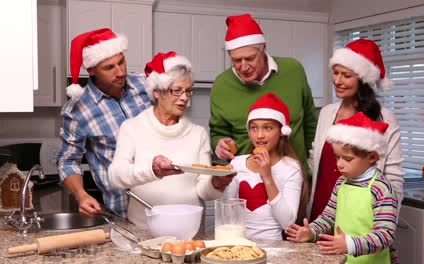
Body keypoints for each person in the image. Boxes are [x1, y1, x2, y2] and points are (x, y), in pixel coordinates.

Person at [108, 51, 234, 227]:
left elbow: (203, 190)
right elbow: (115, 176)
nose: (184, 98)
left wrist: (216, 183)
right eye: (176, 90)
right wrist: (152, 170)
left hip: (189, 231)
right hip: (144, 230)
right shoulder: (132, 128)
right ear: (157, 92)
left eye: (188, 91)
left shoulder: (198, 134)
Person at [56, 28, 154, 218]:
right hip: (124, 211)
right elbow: (67, 161)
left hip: (164, 201)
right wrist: (81, 195)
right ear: (91, 70)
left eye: (121, 62)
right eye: (109, 67)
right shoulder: (77, 110)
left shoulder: (147, 85)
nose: (120, 72)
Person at [307, 39, 404, 221]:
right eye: (335, 73)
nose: (337, 80)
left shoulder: (384, 117)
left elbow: (394, 178)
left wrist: (386, 223)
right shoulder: (327, 113)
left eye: (346, 75)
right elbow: (316, 162)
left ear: (362, 79)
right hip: (322, 210)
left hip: (360, 217)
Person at [209, 14, 318, 176]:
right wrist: (219, 144)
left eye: (250, 58)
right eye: (236, 60)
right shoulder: (221, 85)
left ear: (264, 49)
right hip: (247, 180)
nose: (244, 67)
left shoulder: (293, 70)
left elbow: (310, 123)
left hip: (295, 176)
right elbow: (217, 132)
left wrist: (311, 169)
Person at [286, 112, 399, 264]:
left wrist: (350, 244)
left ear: (372, 157)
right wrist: (311, 231)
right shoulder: (341, 183)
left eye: (348, 159)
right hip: (343, 260)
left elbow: (385, 235)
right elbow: (328, 217)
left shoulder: (381, 188)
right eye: (337, 157)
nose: (339, 164)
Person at [223, 92, 307, 240]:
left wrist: (267, 177)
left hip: (274, 246)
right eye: (254, 128)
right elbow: (228, 215)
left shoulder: (291, 168)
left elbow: (287, 223)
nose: (259, 135)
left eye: (268, 128)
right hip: (238, 243)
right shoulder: (237, 164)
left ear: (281, 132)